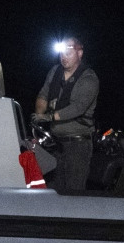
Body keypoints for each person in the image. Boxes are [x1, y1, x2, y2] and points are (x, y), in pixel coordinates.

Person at [32, 36, 98, 190]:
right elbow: (43, 94)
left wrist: (50, 117)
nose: (64, 57)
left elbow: (78, 107)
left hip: (77, 145)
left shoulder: (89, 78)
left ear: (79, 53)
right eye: (61, 53)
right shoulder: (55, 71)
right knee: (53, 189)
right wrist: (38, 117)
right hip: (56, 144)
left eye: (69, 52)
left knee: (73, 191)